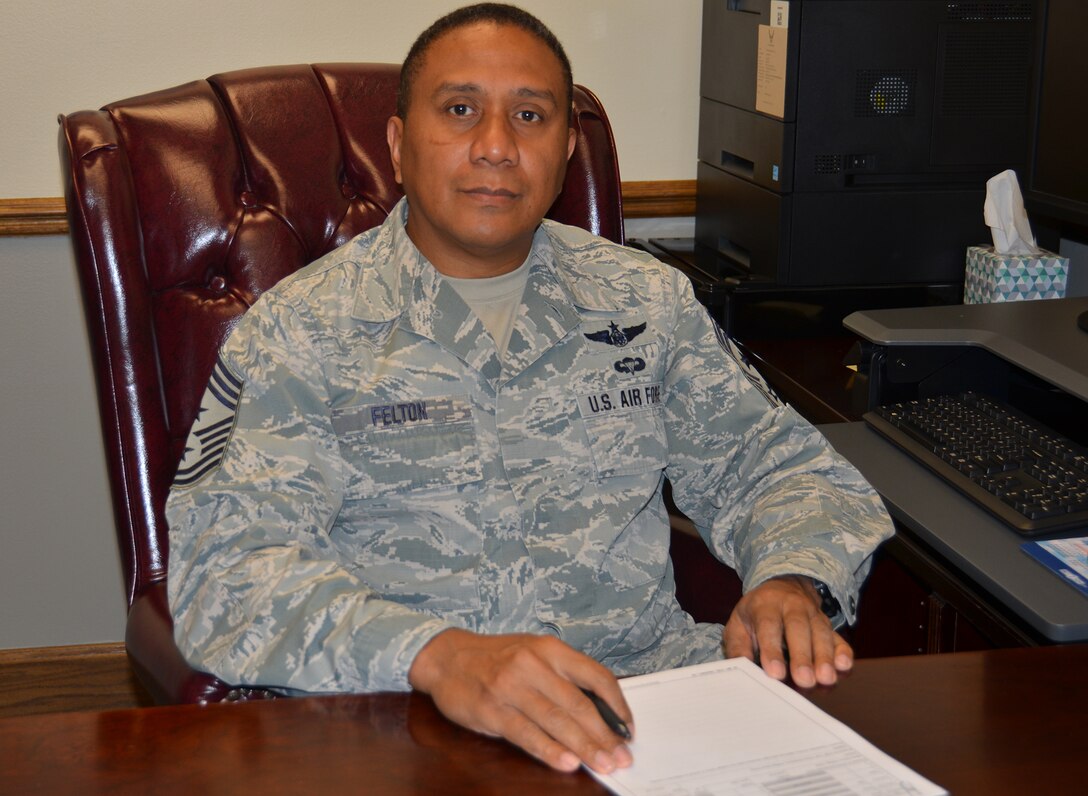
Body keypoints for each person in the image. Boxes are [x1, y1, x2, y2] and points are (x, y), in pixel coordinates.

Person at [167, 2, 894, 777]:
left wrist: (789, 576)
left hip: (647, 714)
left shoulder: (645, 304)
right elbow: (225, 577)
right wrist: (436, 655)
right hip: (404, 732)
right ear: (398, 146)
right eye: (459, 110)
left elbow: (780, 469)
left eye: (529, 115)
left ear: (566, 149)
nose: (496, 146)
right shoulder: (298, 332)